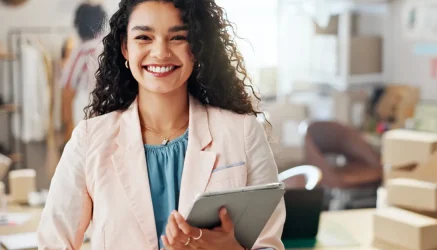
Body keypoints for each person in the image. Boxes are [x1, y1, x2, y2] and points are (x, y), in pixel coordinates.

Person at [37, 1, 286, 250]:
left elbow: (269, 244)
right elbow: (53, 243)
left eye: (177, 37)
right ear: (125, 47)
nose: (160, 52)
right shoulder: (89, 139)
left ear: (196, 47)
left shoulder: (243, 132)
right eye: (144, 37)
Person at [60, 3, 106, 142]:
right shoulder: (107, 47)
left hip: (85, 104)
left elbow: (68, 83)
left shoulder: (81, 51)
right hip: (108, 104)